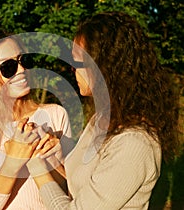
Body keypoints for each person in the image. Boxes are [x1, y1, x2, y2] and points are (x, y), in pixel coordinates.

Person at [22, 11, 180, 209]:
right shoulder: (102, 120)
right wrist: (48, 157)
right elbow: (80, 185)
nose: (72, 69)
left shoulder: (134, 144)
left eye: (77, 62)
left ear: (105, 67)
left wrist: (34, 164)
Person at [0, 29, 72, 210]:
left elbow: (76, 196)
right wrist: (12, 163)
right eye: (8, 67)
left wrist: (56, 159)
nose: (22, 70)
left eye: (23, 61)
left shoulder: (55, 115)